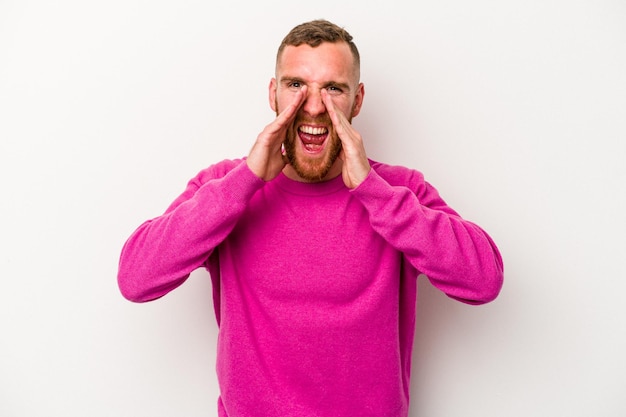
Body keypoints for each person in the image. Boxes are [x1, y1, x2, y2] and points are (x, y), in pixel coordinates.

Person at [117, 19, 504, 417]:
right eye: (296, 85)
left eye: (333, 88)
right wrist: (244, 182)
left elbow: (484, 280)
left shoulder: (397, 191)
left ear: (357, 100)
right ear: (273, 93)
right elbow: (136, 278)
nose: (314, 106)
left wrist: (375, 192)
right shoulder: (224, 187)